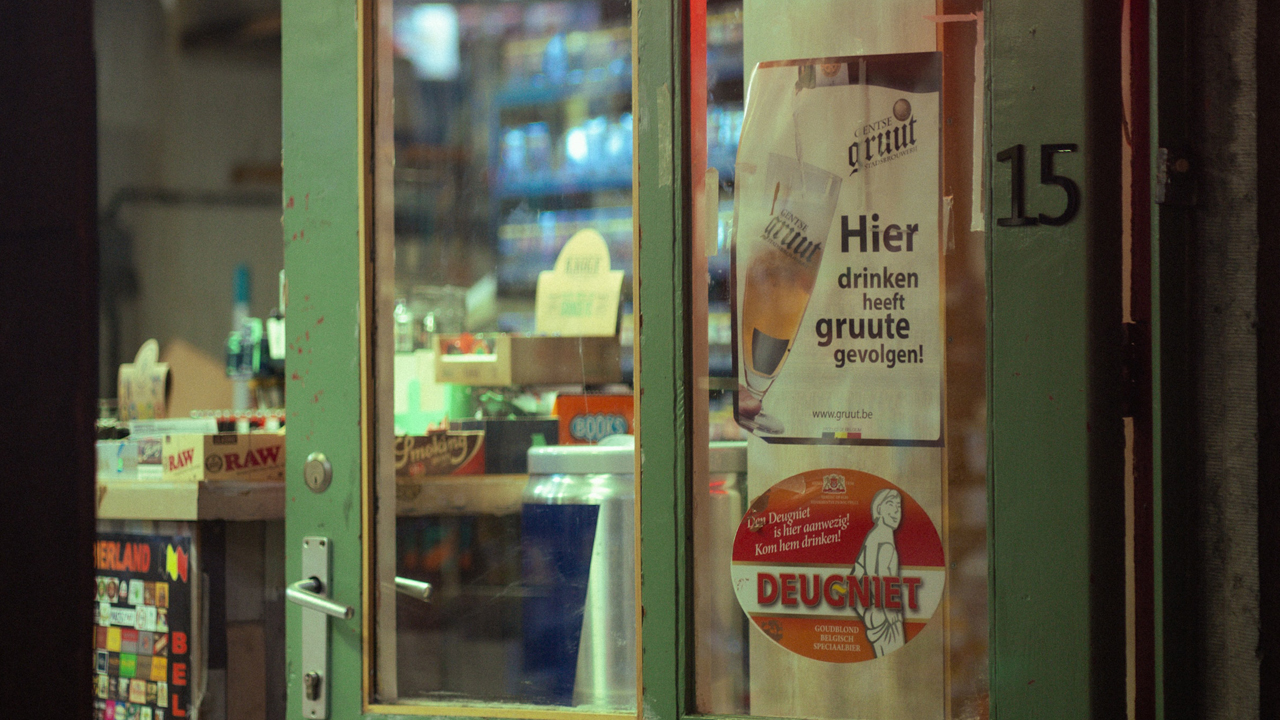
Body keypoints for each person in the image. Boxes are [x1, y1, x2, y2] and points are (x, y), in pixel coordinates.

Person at [852, 488, 905, 657]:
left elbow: (856, 575)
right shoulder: (884, 539)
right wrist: (892, 615)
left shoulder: (874, 536)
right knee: (896, 661)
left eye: (898, 505)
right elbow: (878, 579)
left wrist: (865, 612)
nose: (897, 510)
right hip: (886, 616)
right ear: (879, 509)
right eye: (891, 504)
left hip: (874, 615)